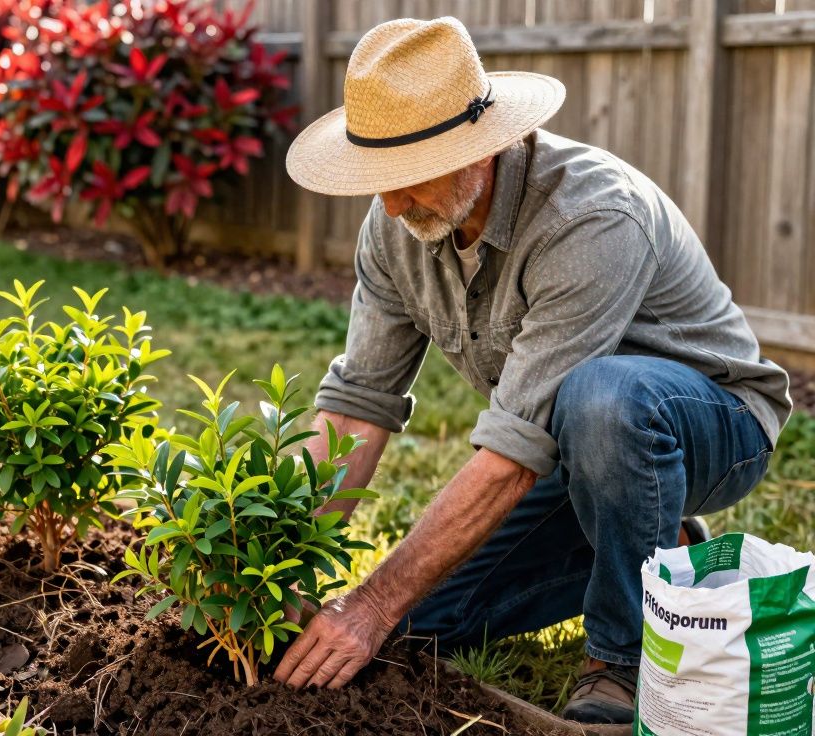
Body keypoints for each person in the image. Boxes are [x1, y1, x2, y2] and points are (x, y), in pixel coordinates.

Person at [271, 16, 792, 725]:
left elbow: (512, 456)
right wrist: (286, 568)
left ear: (479, 149)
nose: (390, 205)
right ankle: (653, 543)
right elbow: (358, 404)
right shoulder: (397, 226)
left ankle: (623, 655)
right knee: (417, 629)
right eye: (379, 180)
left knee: (603, 396)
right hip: (571, 445)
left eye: (408, 179)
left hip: (712, 424)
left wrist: (371, 600)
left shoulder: (592, 216)